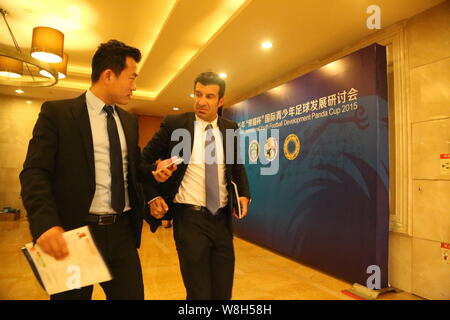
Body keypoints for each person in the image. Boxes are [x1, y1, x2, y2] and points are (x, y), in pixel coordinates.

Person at [19, 40, 163, 300]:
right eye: (131, 77)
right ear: (109, 75)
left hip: (122, 234)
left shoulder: (129, 122)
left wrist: (153, 170)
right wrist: (46, 224)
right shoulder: (59, 114)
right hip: (75, 234)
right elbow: (34, 172)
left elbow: (133, 169)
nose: (135, 86)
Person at [140, 72, 251, 300]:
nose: (201, 101)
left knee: (222, 293)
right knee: (199, 294)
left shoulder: (230, 128)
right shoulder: (175, 125)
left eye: (209, 96)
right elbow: (143, 162)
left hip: (221, 220)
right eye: (198, 94)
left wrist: (244, 195)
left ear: (220, 102)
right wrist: (152, 196)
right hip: (190, 219)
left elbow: (237, 166)